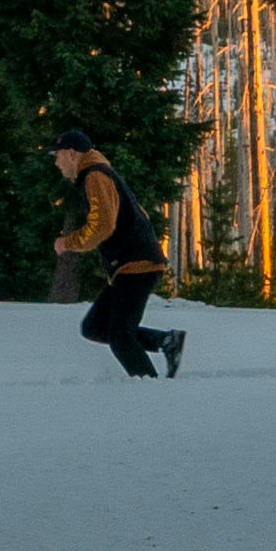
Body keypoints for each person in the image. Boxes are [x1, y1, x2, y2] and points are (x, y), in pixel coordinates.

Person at [54, 131, 184, 378]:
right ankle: (167, 341)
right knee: (94, 326)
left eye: (58, 156)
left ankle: (150, 388)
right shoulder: (97, 174)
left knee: (120, 337)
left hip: (137, 263)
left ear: (71, 153)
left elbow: (102, 226)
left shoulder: (95, 176)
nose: (57, 163)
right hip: (128, 265)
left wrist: (68, 243)